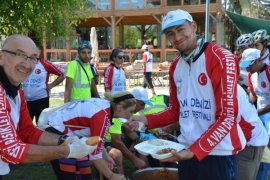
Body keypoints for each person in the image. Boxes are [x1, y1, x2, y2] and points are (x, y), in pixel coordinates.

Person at [131, 9, 247, 180]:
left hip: (219, 153)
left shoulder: (221, 58)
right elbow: (176, 110)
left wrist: (194, 151)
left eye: (180, 29)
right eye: (171, 34)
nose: (176, 37)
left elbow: (227, 117)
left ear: (193, 27)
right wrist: (145, 120)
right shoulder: (176, 66)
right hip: (185, 150)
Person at [0, 34, 97, 178]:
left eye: (33, 58)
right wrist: (68, 150)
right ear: (1, 57)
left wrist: (64, 140)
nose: (27, 65)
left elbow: (28, 131)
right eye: (20, 55)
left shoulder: (16, 89)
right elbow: (11, 151)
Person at [38, 91, 134, 180]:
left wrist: (106, 157)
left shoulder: (104, 106)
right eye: (131, 112)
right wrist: (111, 176)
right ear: (120, 107)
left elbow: (96, 141)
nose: (131, 116)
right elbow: (95, 155)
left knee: (85, 174)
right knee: (69, 176)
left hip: (65, 134)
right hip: (56, 133)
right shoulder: (102, 116)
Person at [239, 48, 270, 180]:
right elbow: (253, 94)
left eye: (249, 66)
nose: (247, 70)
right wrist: (248, 107)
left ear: (258, 61)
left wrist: (257, 113)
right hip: (260, 112)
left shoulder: (268, 72)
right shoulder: (252, 75)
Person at [22, 46, 65, 124]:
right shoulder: (23, 63)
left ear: (39, 51)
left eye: (36, 50)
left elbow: (62, 73)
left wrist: (51, 85)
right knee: (24, 126)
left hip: (41, 100)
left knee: (42, 126)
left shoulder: (45, 63)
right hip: (25, 101)